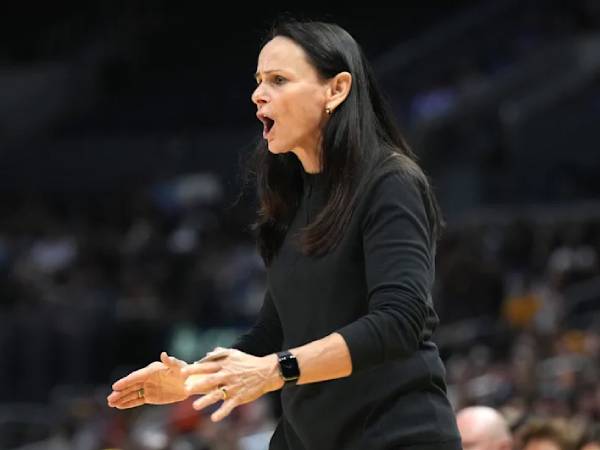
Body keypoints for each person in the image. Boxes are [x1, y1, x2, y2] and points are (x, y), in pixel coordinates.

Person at [107, 19, 462, 450]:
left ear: (336, 89)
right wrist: (194, 378)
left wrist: (277, 369)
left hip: (395, 435)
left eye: (278, 80)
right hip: (307, 436)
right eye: (258, 81)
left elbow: (400, 321)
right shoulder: (293, 196)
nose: (258, 94)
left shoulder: (391, 181)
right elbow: (274, 332)